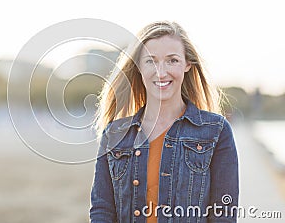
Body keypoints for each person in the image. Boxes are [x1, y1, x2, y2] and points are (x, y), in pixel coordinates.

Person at [89, 21, 239, 222]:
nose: (161, 72)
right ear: (139, 67)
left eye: (172, 60)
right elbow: (102, 210)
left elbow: (224, 214)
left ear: (187, 64)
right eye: (151, 61)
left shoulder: (216, 131)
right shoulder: (114, 134)